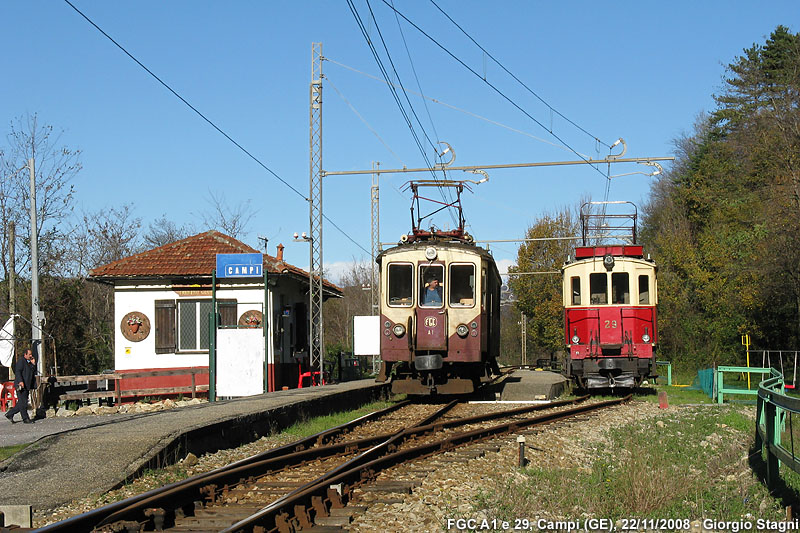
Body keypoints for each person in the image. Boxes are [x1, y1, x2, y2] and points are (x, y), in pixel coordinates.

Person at [6, 348, 37, 424]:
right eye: (29, 354)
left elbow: (33, 372)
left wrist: (33, 364)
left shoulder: (29, 363)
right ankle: (25, 418)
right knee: (23, 402)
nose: (31, 356)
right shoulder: (21, 361)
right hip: (20, 385)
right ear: (25, 354)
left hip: (27, 385)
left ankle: (9, 414)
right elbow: (18, 372)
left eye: (31, 354)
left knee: (23, 402)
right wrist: (20, 381)